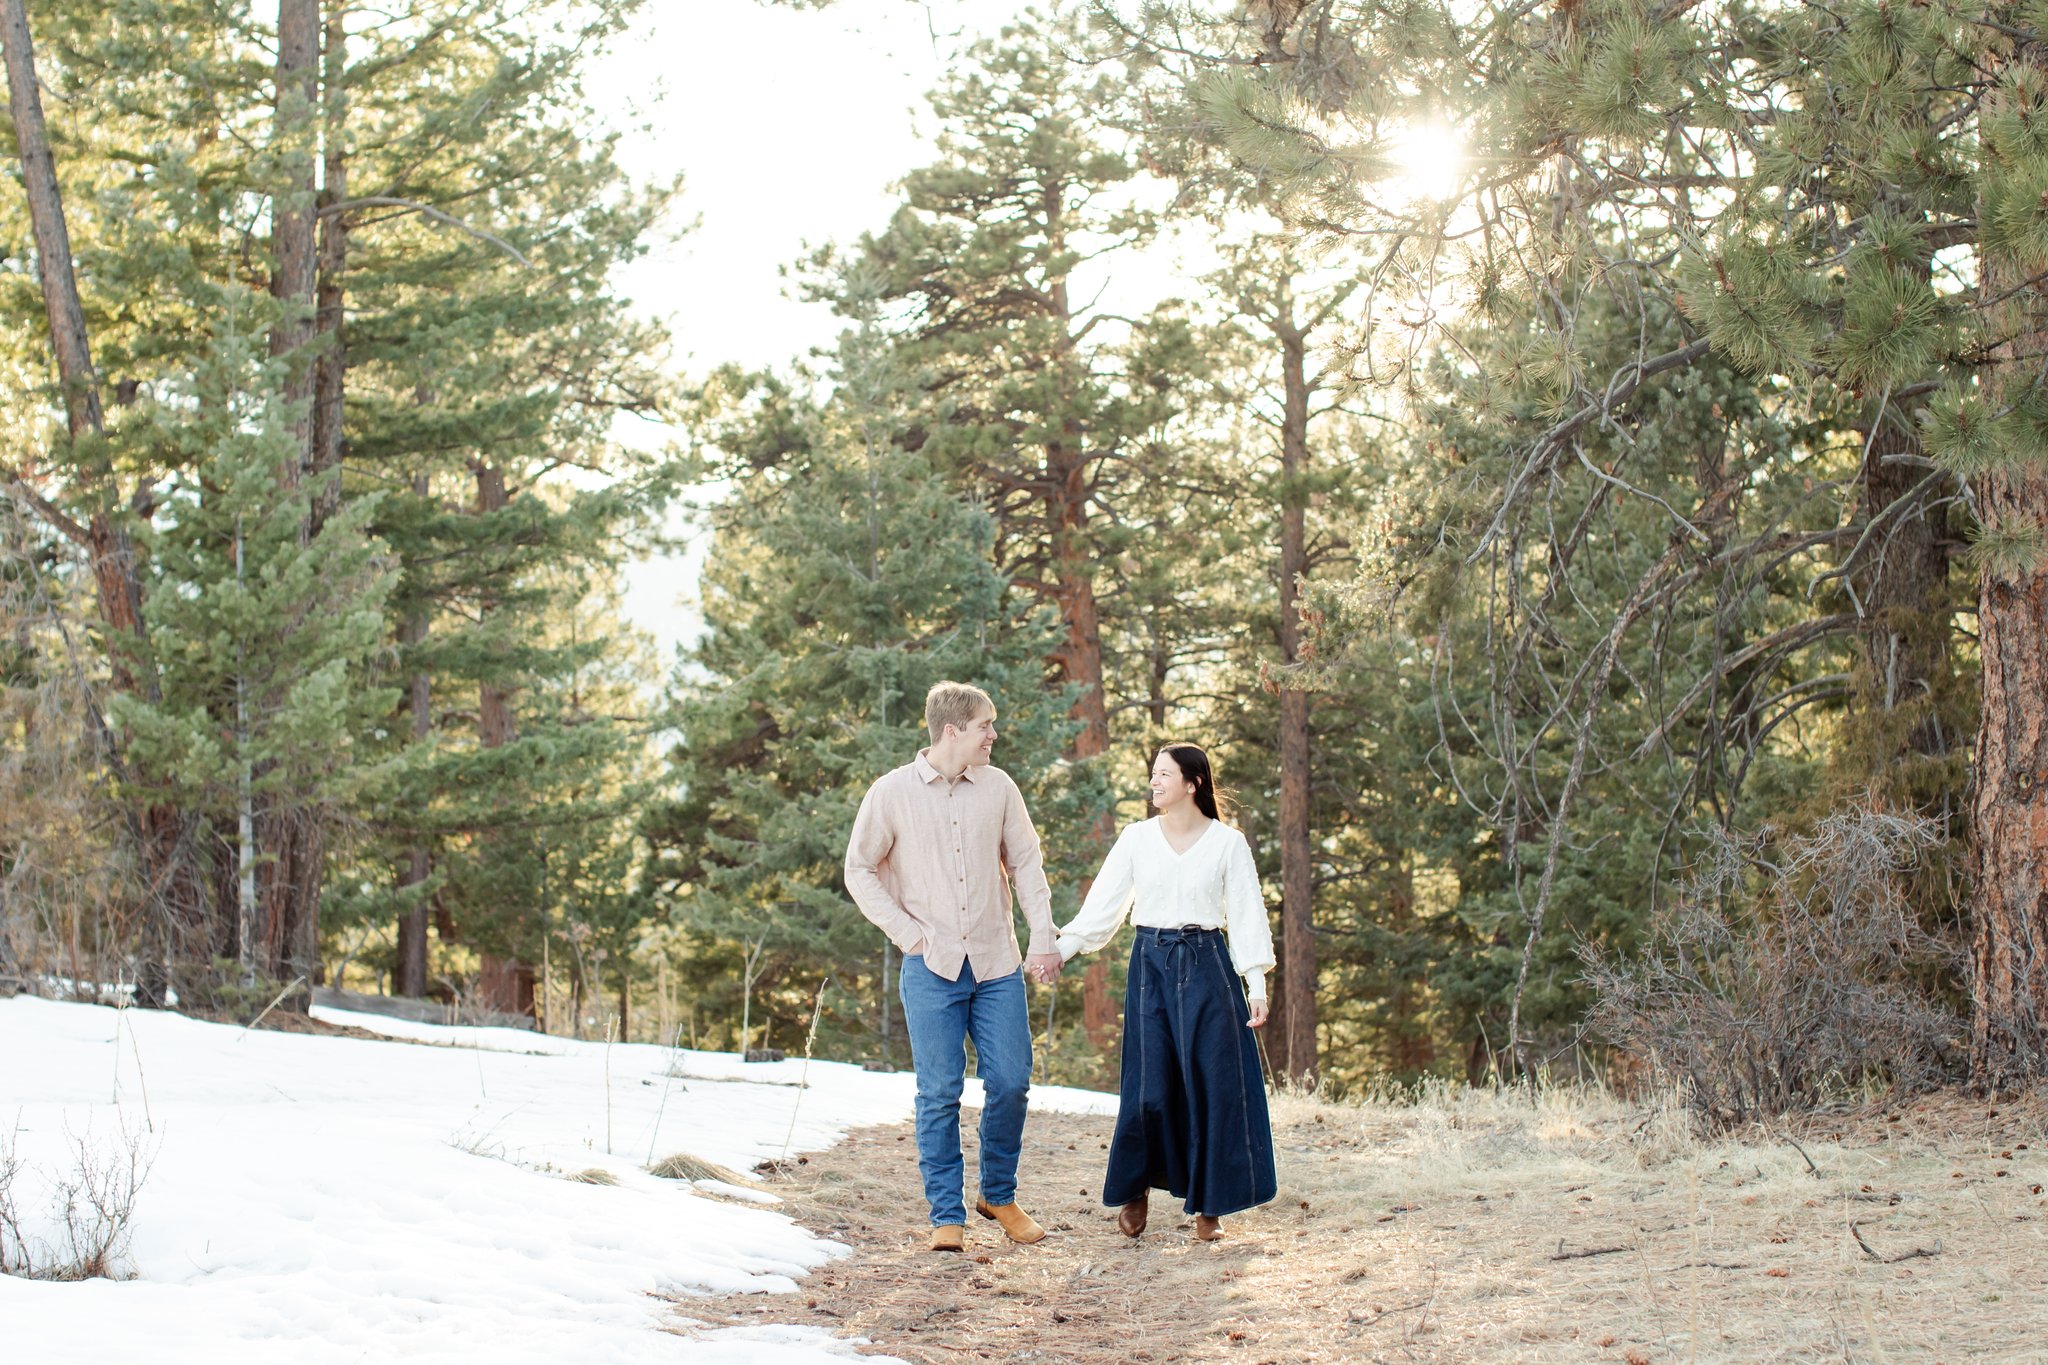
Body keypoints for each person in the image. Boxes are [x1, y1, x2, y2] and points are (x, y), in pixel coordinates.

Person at [844, 681, 1065, 1253]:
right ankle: (947, 1214)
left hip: (995, 961)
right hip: (931, 965)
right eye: (985, 726)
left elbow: (1026, 865)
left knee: (1012, 1081)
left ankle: (998, 1195)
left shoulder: (999, 788)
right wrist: (909, 935)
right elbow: (858, 870)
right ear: (953, 730)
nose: (993, 735)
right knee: (939, 1092)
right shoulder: (890, 793)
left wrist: (1043, 936)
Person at [1056, 742, 1277, 1241]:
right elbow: (1104, 907)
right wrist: (1063, 950)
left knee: (1212, 1085)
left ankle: (1209, 1209)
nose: (1153, 782)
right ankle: (1136, 1191)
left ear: (1192, 783)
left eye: (1163, 774)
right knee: (1148, 1085)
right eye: (1153, 774)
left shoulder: (1227, 843)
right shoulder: (1137, 838)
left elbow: (1246, 913)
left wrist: (1256, 982)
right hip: (1150, 965)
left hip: (1209, 965)